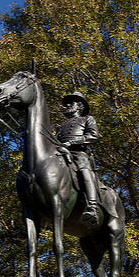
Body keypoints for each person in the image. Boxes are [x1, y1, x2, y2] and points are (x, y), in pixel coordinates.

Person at [56, 92, 100, 225]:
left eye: (72, 103)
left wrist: (71, 142)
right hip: (61, 153)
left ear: (80, 106)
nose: (68, 105)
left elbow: (93, 135)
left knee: (84, 170)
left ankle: (92, 207)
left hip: (78, 154)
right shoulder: (60, 126)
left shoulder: (87, 119)